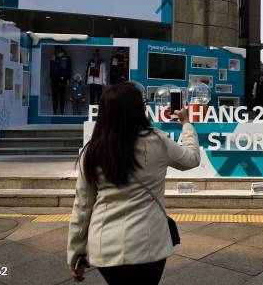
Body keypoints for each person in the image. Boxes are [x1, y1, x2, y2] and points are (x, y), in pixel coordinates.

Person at [67, 82, 200, 284]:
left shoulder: (93, 150)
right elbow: (191, 159)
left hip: (105, 247)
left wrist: (75, 251)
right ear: (140, 110)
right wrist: (186, 124)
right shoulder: (158, 141)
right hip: (149, 246)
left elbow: (82, 206)